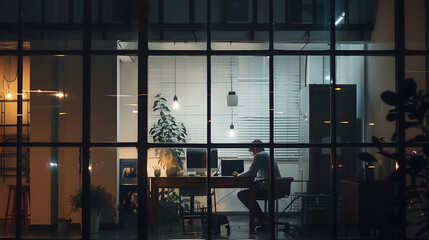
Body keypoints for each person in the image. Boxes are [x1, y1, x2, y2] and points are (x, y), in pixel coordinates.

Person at [232, 139, 281, 226]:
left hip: (269, 189)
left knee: (242, 194)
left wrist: (238, 175)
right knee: (250, 191)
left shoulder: (259, 156)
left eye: (251, 152)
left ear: (254, 149)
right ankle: (261, 218)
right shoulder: (268, 155)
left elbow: (251, 172)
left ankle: (263, 219)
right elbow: (260, 174)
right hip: (277, 187)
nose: (252, 154)